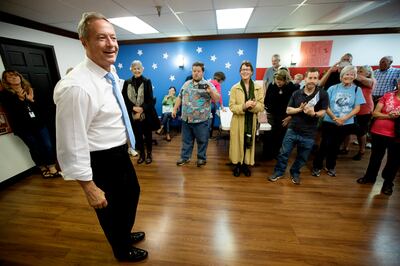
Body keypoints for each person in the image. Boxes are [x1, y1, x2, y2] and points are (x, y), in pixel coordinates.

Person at [53, 12, 147, 262]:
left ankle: (123, 233)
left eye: (113, 37)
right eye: (101, 38)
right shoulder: (76, 87)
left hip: (118, 153)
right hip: (100, 160)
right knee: (110, 208)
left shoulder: (109, 72)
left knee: (131, 195)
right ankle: (121, 249)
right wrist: (88, 187)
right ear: (84, 42)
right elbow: (70, 142)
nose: (111, 44)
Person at [268, 68, 329, 184]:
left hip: (309, 133)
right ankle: (279, 172)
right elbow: (288, 110)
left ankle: (295, 173)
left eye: (315, 78)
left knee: (302, 157)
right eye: (310, 78)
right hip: (293, 129)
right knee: (283, 153)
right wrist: (299, 109)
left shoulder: (322, 94)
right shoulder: (296, 93)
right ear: (305, 79)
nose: (312, 80)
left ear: (318, 79)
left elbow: (324, 111)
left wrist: (314, 113)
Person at [0, 70, 60, 178]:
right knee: (35, 147)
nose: (14, 77)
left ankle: (51, 167)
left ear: (20, 77)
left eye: (16, 75)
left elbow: (41, 107)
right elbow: (13, 111)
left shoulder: (29, 90)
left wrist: (31, 101)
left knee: (47, 145)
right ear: (5, 81)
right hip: (22, 128)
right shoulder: (5, 95)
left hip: (38, 123)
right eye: (10, 77)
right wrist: (22, 100)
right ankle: (42, 168)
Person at [312, 66, 365, 177]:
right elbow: (325, 105)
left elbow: (357, 108)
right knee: (324, 144)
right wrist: (335, 118)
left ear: (355, 76)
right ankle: (317, 166)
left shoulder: (357, 89)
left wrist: (343, 119)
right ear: (342, 76)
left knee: (335, 146)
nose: (349, 76)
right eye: (347, 74)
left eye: (352, 74)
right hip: (329, 121)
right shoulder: (333, 88)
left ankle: (330, 166)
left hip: (345, 123)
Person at [172, 61, 220, 167]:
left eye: (198, 71)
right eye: (194, 71)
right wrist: (175, 109)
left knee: (202, 141)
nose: (196, 73)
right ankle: (185, 158)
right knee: (186, 140)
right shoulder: (186, 84)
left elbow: (217, 98)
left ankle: (201, 158)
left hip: (201, 120)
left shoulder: (208, 84)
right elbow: (179, 97)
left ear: (202, 72)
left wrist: (210, 91)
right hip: (186, 119)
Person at [357, 80, 400, 196]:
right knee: (375, 157)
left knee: (393, 161)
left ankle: (388, 183)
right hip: (379, 132)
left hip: (396, 136)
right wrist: (388, 116)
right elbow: (375, 113)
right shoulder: (388, 95)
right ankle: (369, 177)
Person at [229, 61, 264, 177]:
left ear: (252, 72)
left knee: (247, 143)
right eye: (243, 69)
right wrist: (244, 106)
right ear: (240, 72)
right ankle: (238, 165)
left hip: (251, 121)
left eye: (247, 69)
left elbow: (261, 106)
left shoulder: (258, 88)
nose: (245, 72)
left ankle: (245, 165)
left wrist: (253, 106)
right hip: (238, 121)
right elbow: (232, 107)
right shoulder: (235, 88)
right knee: (238, 143)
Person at [122, 60, 159, 164]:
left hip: (146, 114)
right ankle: (142, 155)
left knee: (148, 135)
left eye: (139, 68)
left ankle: (149, 154)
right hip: (133, 114)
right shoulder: (127, 82)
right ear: (131, 69)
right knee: (137, 135)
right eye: (134, 68)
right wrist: (134, 108)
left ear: (142, 69)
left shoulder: (147, 81)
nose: (137, 70)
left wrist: (142, 109)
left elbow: (150, 100)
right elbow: (124, 99)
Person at [263, 69, 297, 160]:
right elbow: (266, 100)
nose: (278, 83)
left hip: (284, 116)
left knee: (280, 135)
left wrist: (290, 117)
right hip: (271, 115)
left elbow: (296, 105)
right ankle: (267, 154)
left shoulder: (292, 88)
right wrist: (266, 111)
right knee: (268, 135)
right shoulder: (272, 85)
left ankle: (277, 154)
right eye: (277, 81)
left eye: (281, 82)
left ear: (286, 80)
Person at [349, 66, 376, 160]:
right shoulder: (357, 81)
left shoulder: (371, 81)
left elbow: (360, 78)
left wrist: (350, 72)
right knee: (350, 128)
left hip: (365, 109)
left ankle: (361, 151)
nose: (359, 73)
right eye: (358, 71)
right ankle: (345, 147)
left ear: (368, 73)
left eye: (361, 71)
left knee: (361, 131)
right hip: (354, 108)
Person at [209, 71, 226, 138]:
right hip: (212, 104)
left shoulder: (209, 82)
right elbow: (219, 96)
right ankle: (209, 136)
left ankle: (204, 136)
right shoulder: (217, 84)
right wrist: (221, 106)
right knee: (211, 121)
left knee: (206, 121)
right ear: (221, 79)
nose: (222, 82)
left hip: (206, 105)